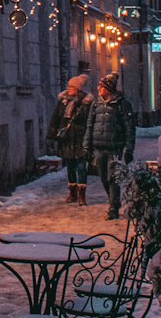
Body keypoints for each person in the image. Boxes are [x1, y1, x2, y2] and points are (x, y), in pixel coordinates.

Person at [84, 72, 136, 219]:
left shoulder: (122, 104)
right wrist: (86, 145)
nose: (99, 89)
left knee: (113, 178)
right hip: (99, 147)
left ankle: (113, 207)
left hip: (114, 147)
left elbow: (129, 127)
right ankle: (113, 201)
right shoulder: (97, 104)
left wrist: (129, 148)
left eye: (101, 87)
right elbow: (90, 125)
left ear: (108, 88)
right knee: (103, 178)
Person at [47, 74, 93, 204]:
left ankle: (82, 195)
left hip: (80, 137)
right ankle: (72, 193)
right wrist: (52, 133)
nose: (69, 89)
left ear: (78, 88)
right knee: (70, 166)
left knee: (81, 166)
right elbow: (56, 117)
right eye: (69, 86)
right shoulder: (63, 101)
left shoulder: (86, 102)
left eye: (72, 87)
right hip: (67, 138)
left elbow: (88, 120)